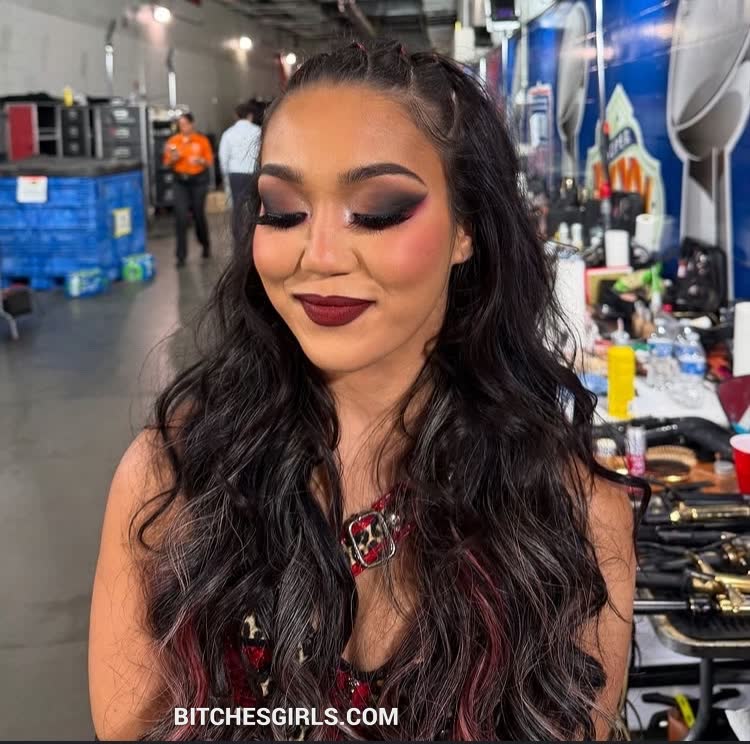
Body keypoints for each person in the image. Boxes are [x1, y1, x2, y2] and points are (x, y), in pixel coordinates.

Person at [89, 40, 646, 740]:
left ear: (468, 229)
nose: (318, 255)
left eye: (377, 211)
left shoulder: (575, 513)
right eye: (282, 210)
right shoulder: (170, 481)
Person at [163, 112, 214, 267]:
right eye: (180, 125)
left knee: (198, 214)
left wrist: (200, 160)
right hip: (180, 182)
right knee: (181, 217)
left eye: (185, 124)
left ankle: (205, 244)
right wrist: (173, 159)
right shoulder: (173, 141)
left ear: (192, 124)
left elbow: (209, 161)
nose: (183, 127)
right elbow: (166, 163)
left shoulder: (201, 140)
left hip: (198, 181)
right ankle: (181, 256)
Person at [219, 99, 262, 244]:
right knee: (254, 206)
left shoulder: (228, 134)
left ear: (236, 116)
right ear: (250, 115)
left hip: (235, 174)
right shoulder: (259, 131)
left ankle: (238, 241)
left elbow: (223, 157)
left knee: (238, 207)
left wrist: (226, 176)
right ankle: (253, 238)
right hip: (253, 173)